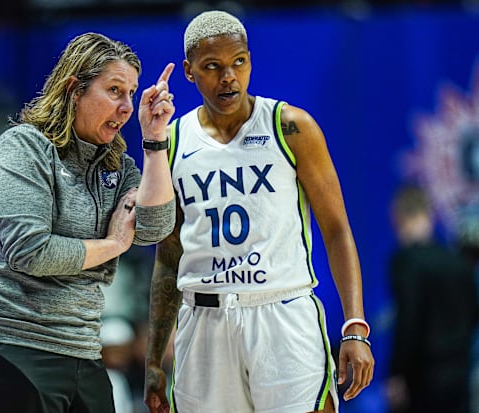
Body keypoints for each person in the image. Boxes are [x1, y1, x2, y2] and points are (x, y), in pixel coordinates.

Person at [143, 10, 374, 413]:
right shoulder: (174, 139)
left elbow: (336, 229)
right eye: (212, 67)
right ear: (189, 72)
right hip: (203, 319)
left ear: (250, 60)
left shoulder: (291, 127)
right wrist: (153, 358)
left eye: (238, 62)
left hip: (282, 313)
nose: (228, 77)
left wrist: (355, 325)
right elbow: (168, 256)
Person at [0, 32, 177, 413]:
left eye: (132, 93)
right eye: (115, 90)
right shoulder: (23, 148)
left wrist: (154, 142)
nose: (127, 106)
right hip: (5, 338)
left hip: (77, 345)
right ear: (74, 90)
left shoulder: (117, 167)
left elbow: (154, 228)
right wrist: (114, 244)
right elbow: (31, 252)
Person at [386, 184, 478, 413]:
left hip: (421, 381)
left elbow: (408, 321)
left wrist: (396, 373)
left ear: (398, 218)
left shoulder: (405, 262)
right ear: (430, 215)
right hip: (459, 376)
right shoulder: (460, 264)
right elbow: (473, 315)